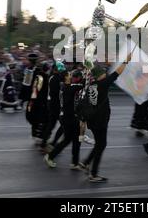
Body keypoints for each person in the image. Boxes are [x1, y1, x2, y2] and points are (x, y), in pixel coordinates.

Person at [78, 54, 131, 183]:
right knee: (102, 145)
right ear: (99, 75)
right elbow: (117, 73)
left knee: (99, 144)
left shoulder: (92, 85)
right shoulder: (103, 84)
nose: (105, 74)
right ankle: (93, 174)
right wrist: (126, 61)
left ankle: (86, 162)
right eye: (103, 73)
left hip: (92, 120)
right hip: (100, 121)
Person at [44, 70, 84, 168]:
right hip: (69, 118)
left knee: (75, 140)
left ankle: (74, 162)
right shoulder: (69, 88)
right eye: (69, 75)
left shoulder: (64, 87)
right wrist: (87, 74)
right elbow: (82, 84)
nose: (71, 76)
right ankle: (50, 156)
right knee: (68, 140)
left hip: (67, 116)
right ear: (66, 77)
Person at [40, 62, 65, 152]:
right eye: (61, 69)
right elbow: (56, 93)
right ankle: (52, 143)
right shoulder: (56, 79)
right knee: (63, 124)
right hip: (55, 105)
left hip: (51, 103)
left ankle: (44, 143)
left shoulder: (52, 77)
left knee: (51, 124)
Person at [25, 61, 49, 144]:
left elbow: (26, 86)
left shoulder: (30, 72)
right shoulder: (43, 76)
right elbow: (40, 91)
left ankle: (35, 134)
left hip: (32, 99)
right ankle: (39, 135)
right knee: (41, 118)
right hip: (38, 101)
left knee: (33, 117)